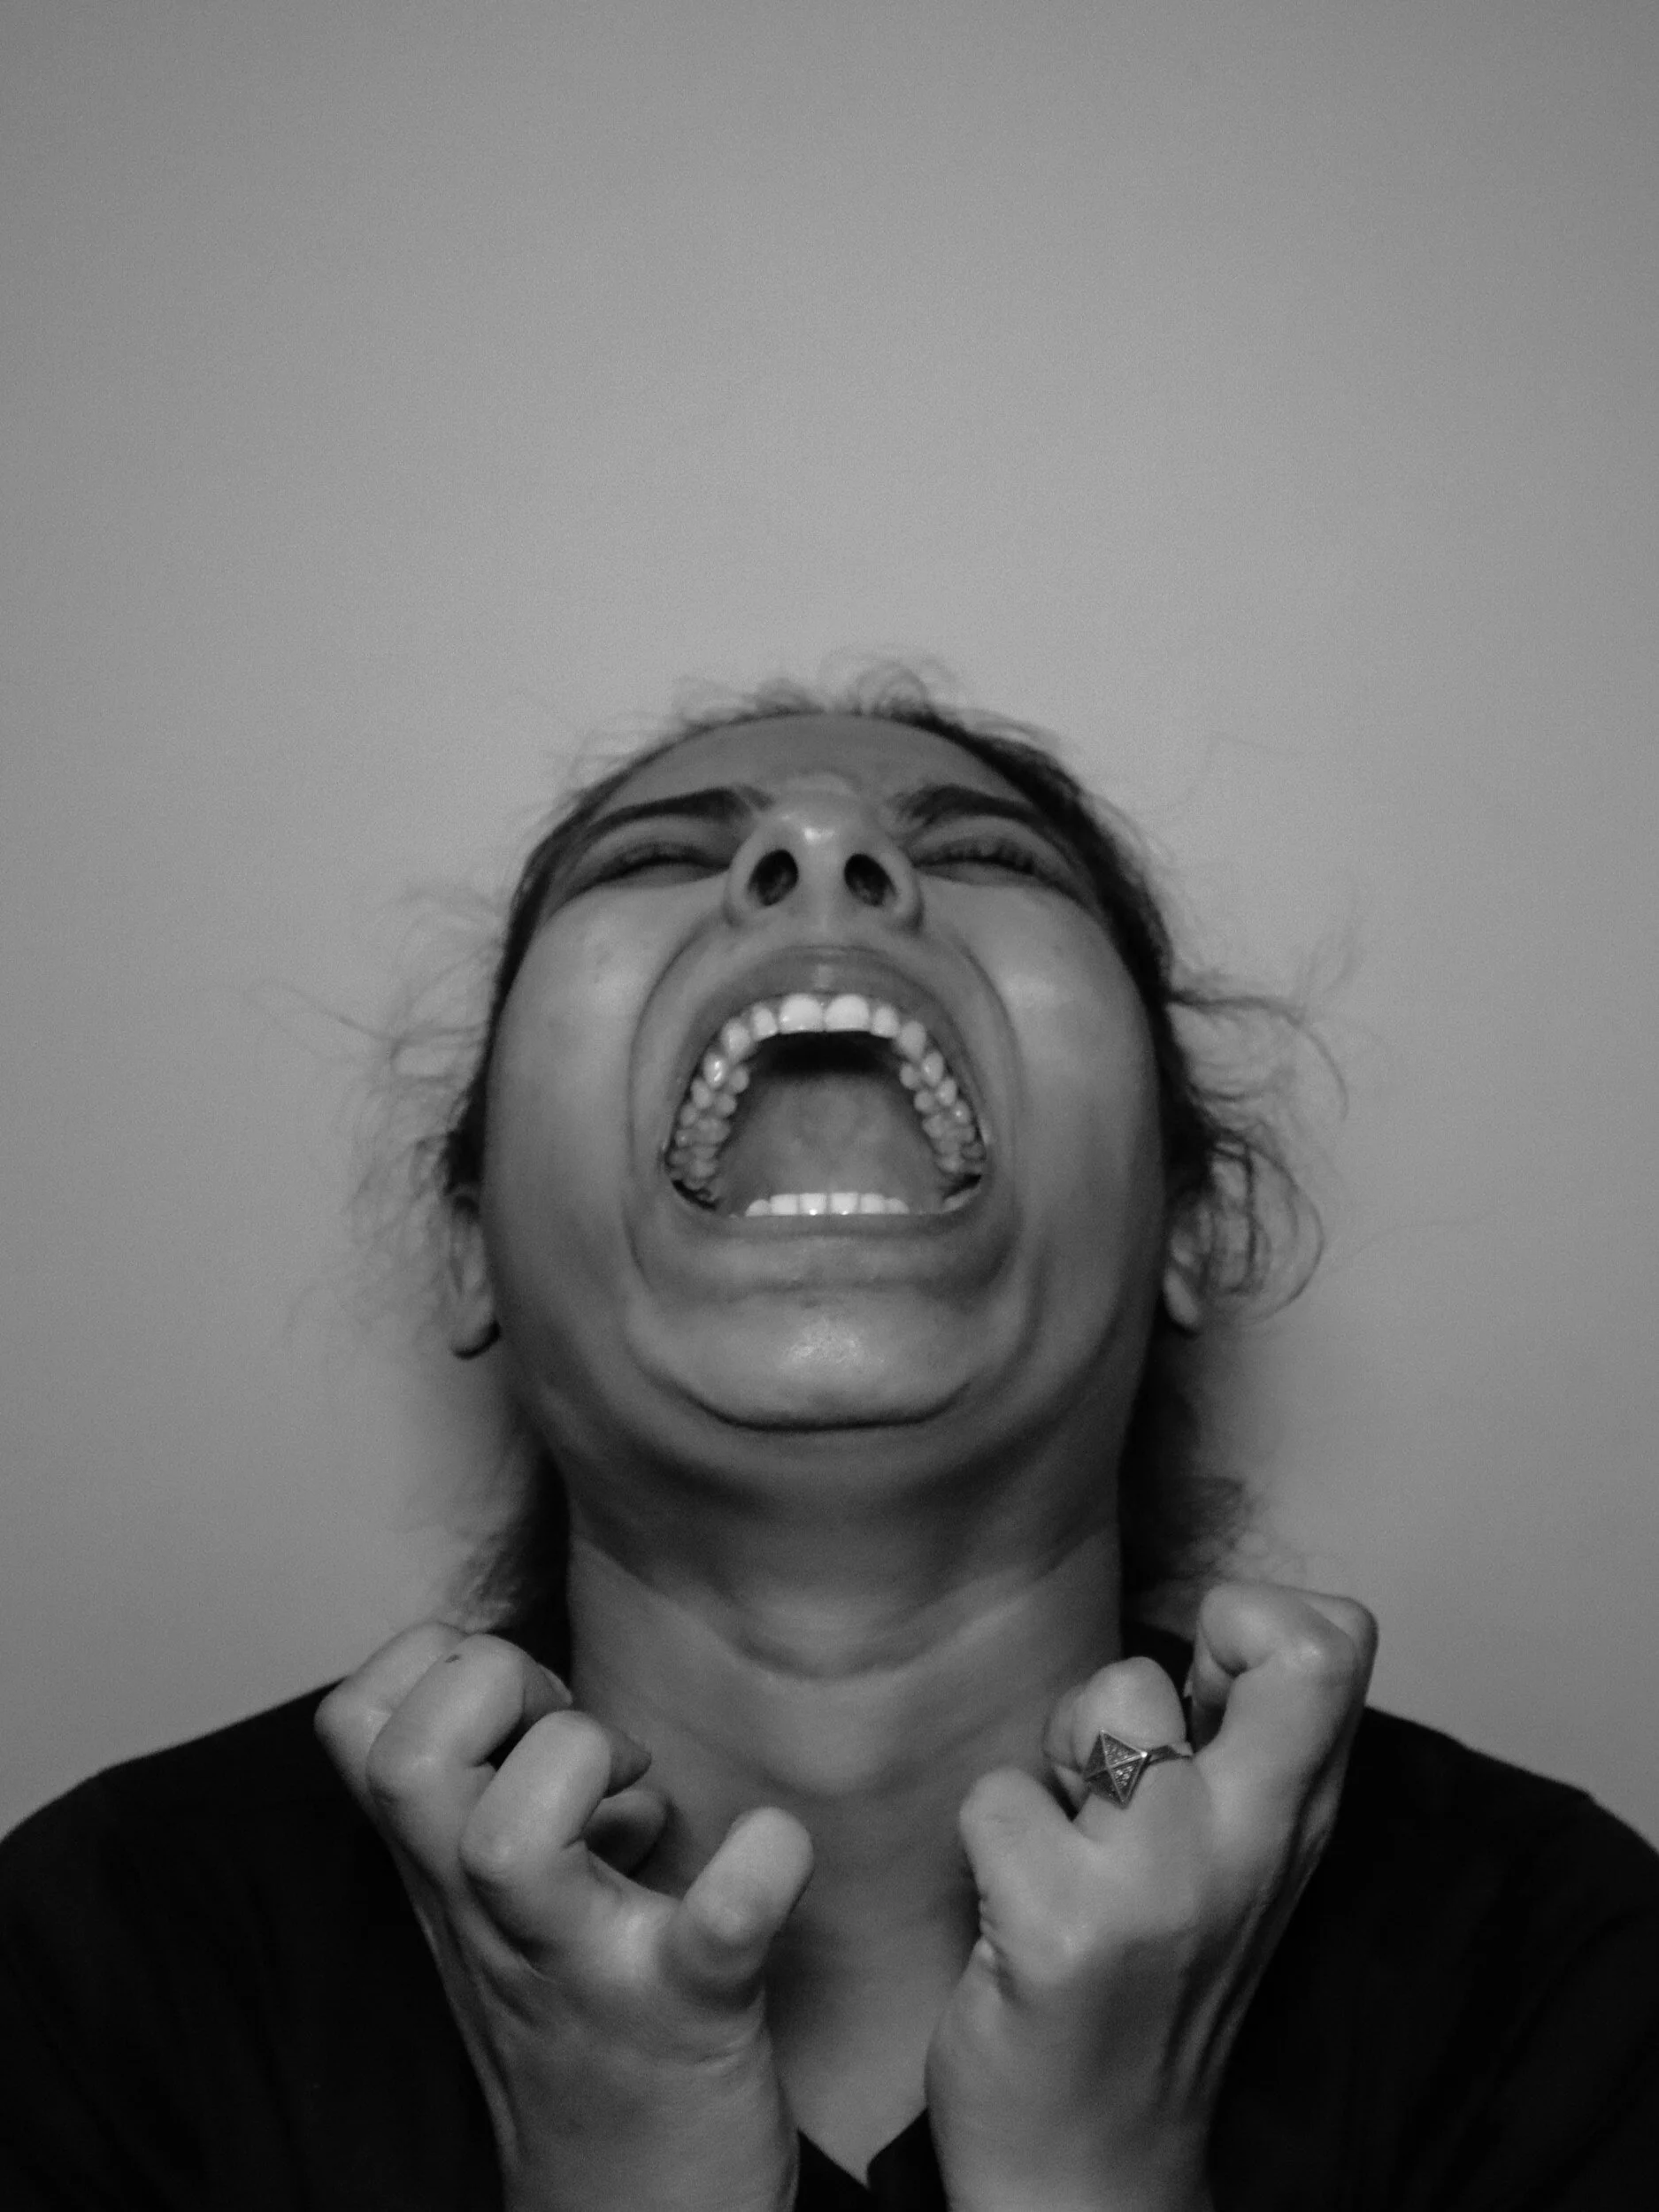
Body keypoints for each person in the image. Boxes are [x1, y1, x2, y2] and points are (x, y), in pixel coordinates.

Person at [3, 681, 1656, 2212]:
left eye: (984, 854)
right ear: (468, 1243)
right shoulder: (98, 1969)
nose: (822, 851)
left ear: (1188, 1225)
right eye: (658, 856)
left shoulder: (1563, 1971)